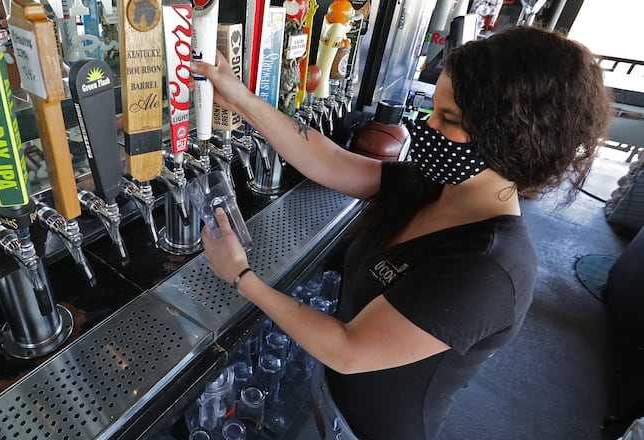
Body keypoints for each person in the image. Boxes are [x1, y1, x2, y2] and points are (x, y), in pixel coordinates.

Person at [191, 26, 610, 439]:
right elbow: (332, 162)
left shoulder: (490, 269)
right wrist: (239, 98)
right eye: (433, 108)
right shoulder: (437, 186)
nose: (428, 126)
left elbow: (349, 349)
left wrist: (242, 277)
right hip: (331, 394)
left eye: (448, 118)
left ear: (513, 141)